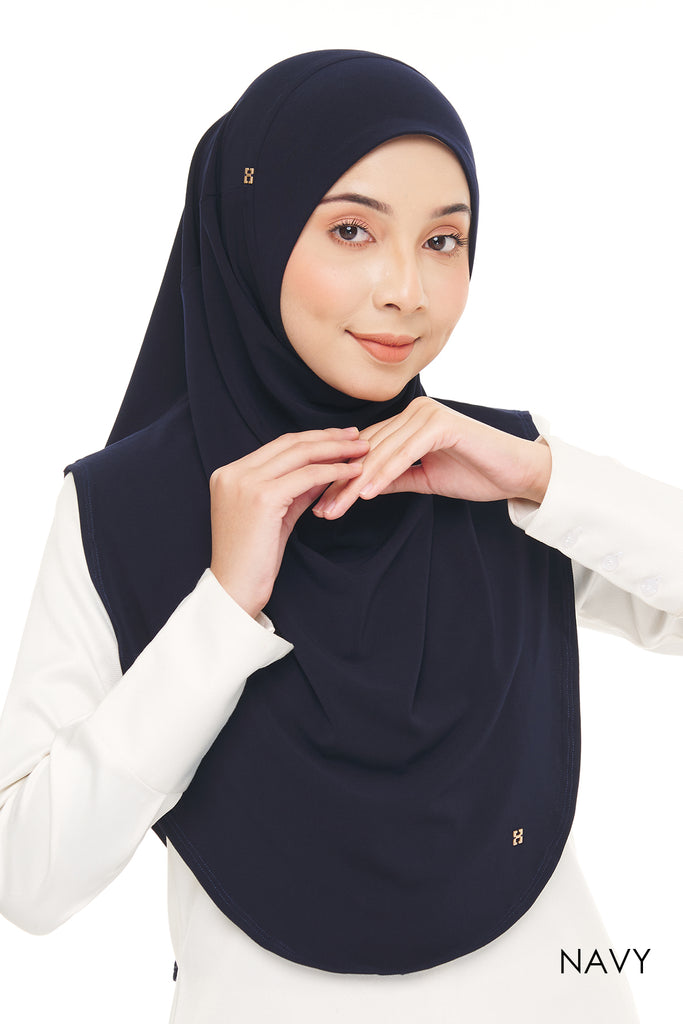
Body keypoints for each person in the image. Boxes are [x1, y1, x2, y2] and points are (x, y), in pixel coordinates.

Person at [0, 48, 681, 1023]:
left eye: (442, 240)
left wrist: (540, 477)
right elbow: (28, 876)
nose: (406, 289)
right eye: (352, 229)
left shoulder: (484, 467)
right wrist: (221, 610)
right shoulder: (125, 507)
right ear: (255, 228)